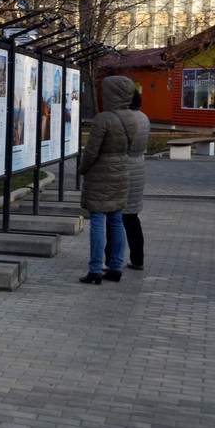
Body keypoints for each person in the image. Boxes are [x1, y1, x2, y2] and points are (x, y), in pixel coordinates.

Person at [78, 75, 138, 284]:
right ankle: (116, 266)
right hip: (121, 172)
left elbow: (92, 151)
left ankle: (95, 269)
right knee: (116, 220)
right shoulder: (131, 117)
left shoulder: (103, 119)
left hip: (100, 174)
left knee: (97, 220)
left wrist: (82, 169)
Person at [108, 90, 150, 271]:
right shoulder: (144, 118)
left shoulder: (124, 119)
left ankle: (110, 258)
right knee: (132, 217)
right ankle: (138, 258)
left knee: (113, 217)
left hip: (123, 167)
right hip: (139, 167)